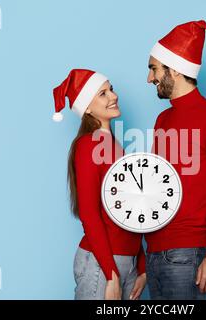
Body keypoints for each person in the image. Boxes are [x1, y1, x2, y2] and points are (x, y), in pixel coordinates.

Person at [145, 20, 206, 299]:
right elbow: (152, 188)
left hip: (188, 254)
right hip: (154, 251)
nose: (149, 78)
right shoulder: (162, 119)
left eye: (153, 68)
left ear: (174, 69)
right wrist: (143, 257)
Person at [52, 68, 147, 300]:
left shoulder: (116, 148)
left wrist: (142, 266)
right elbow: (89, 213)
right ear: (87, 107)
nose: (113, 96)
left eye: (111, 89)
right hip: (101, 265)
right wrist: (111, 274)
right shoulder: (88, 146)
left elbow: (132, 214)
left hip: (127, 262)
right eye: (102, 94)